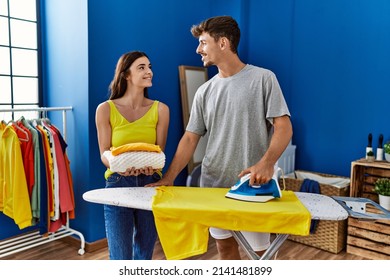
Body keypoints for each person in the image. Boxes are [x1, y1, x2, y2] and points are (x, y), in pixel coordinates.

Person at [146, 16, 292, 260]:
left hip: (252, 186)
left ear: (223, 43)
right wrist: (169, 177)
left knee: (260, 254)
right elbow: (190, 138)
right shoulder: (205, 91)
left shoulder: (263, 79)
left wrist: (266, 163)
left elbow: (283, 126)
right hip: (214, 186)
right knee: (225, 249)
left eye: (203, 42)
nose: (198, 49)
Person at [95, 51, 170, 260]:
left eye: (149, 66)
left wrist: (152, 167)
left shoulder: (161, 110)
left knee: (144, 255)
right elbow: (104, 153)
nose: (149, 72)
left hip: (150, 184)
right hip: (117, 183)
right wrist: (117, 164)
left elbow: (159, 151)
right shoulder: (105, 109)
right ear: (126, 74)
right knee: (120, 257)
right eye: (142, 67)